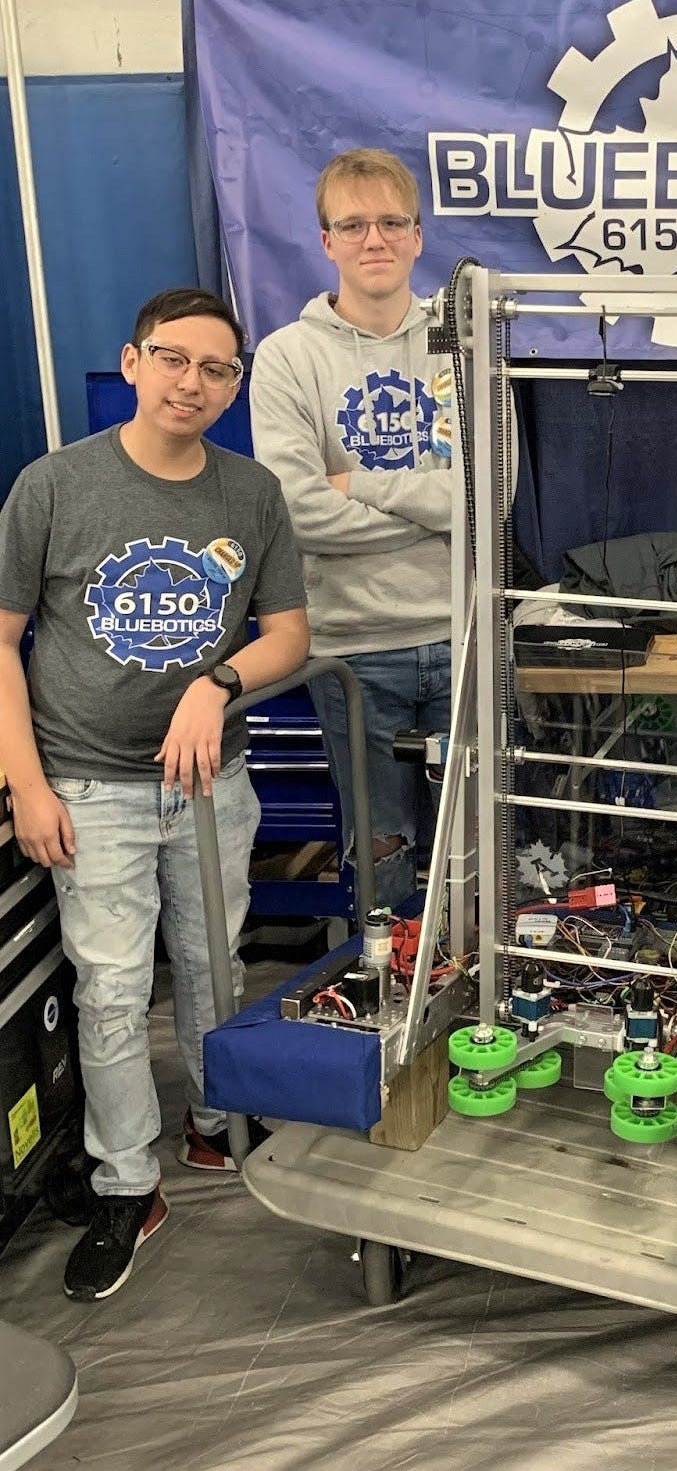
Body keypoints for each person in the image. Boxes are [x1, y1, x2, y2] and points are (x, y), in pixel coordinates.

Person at [0, 288, 309, 1301]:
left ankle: (217, 1126)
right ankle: (129, 1183)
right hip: (89, 783)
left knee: (216, 966)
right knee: (113, 991)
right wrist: (29, 785)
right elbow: (1, 643)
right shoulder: (54, 486)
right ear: (133, 363)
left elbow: (287, 636)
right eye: (175, 360)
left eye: (218, 370)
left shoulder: (251, 494)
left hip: (210, 785)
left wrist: (214, 684)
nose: (195, 383)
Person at [250, 148, 455, 914]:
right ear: (327, 240)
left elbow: (487, 501)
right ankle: (395, 1010)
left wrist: (359, 485)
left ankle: (477, 1020)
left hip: (464, 644)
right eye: (354, 224)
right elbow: (297, 511)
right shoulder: (286, 358)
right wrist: (428, 508)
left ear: (417, 235)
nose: (376, 238)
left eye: (392, 222)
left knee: (478, 853)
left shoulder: (464, 346)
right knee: (384, 854)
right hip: (354, 654)